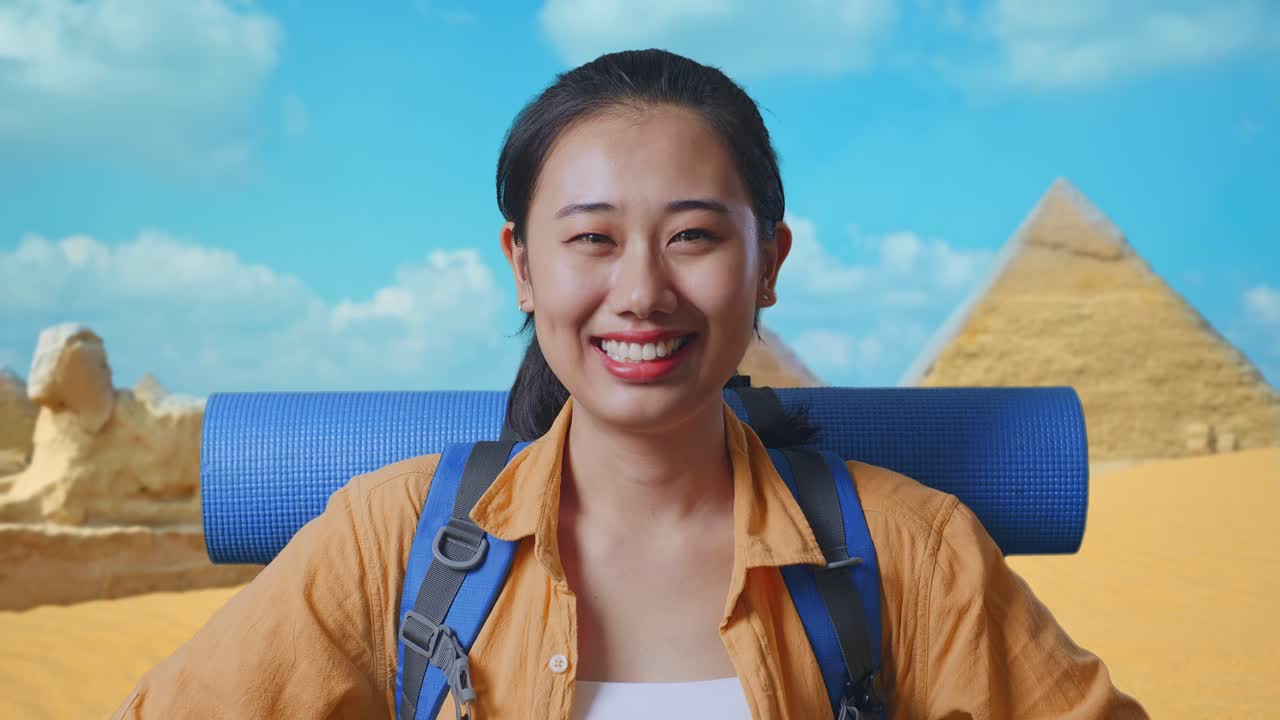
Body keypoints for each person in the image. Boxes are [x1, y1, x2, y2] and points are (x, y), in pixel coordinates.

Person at [113, 49, 1147, 719]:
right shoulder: (391, 544)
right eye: (592, 240)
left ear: (770, 264)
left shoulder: (913, 557)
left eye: (692, 236)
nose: (641, 291)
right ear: (522, 267)